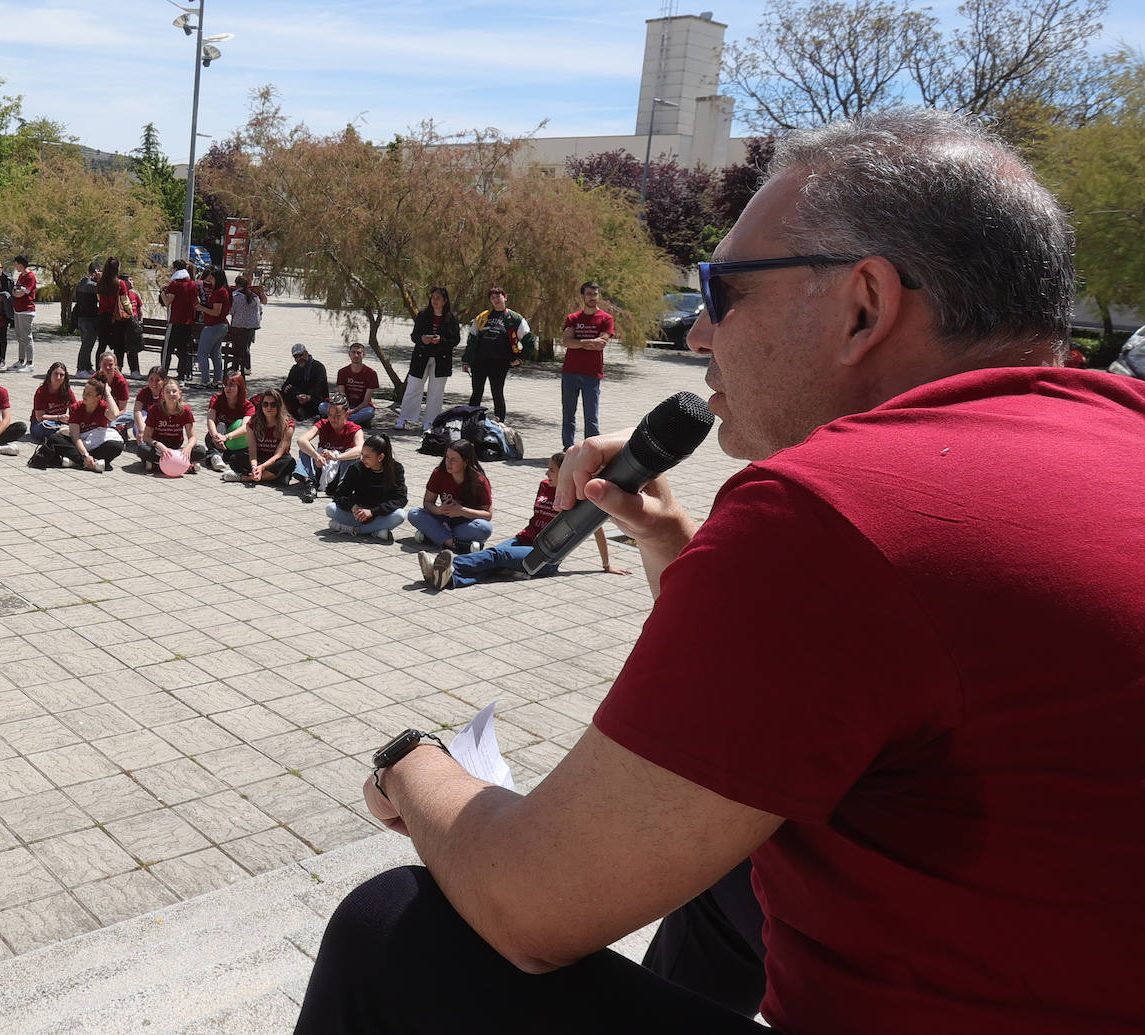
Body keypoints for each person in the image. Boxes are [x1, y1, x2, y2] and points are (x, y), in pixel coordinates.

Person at [295, 110, 1145, 1035]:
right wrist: (667, 540)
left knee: (391, 931)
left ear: (865, 304)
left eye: (723, 289)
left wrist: (410, 765)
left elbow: (526, 908)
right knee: (735, 854)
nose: (699, 333)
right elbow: (819, 694)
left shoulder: (838, 508)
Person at [419, 452, 630, 589]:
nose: (547, 473)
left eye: (552, 470)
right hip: (524, 539)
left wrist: (606, 565)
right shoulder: (545, 486)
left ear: (565, 473)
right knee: (494, 562)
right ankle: (450, 579)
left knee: (496, 554)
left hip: (545, 556)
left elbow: (597, 530)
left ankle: (450, 566)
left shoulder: (579, 498)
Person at [406, 439, 493, 552]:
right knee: (414, 513)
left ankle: (433, 536)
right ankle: (454, 544)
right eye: (447, 457)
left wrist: (462, 511)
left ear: (465, 462)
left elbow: (488, 515)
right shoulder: (439, 473)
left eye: (453, 460)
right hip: (443, 519)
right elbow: (427, 503)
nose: (448, 462)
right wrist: (439, 510)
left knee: (485, 528)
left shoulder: (479, 481)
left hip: (466, 523)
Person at [461, 286, 532, 423]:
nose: (496, 300)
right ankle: (471, 422)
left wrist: (521, 359)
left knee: (497, 393)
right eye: (492, 297)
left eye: (498, 296)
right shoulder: (482, 317)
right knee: (476, 393)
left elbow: (529, 341)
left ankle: (500, 423)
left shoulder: (515, 319)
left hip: (500, 363)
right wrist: (466, 360)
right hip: (479, 362)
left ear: (505, 297)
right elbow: (472, 339)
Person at [324, 433, 408, 542]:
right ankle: (375, 531)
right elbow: (339, 495)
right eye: (362, 455)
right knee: (330, 509)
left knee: (400, 515)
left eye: (367, 456)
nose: (363, 459)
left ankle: (353, 530)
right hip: (357, 514)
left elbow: (401, 499)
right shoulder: (356, 468)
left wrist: (373, 512)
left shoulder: (396, 469)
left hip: (380, 515)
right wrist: (353, 507)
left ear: (380, 457)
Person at [397, 286, 459, 431]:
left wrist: (441, 340)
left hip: (441, 360)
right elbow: (414, 336)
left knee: (436, 392)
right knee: (413, 388)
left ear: (445, 301)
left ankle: (430, 422)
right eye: (433, 298)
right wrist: (422, 339)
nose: (435, 301)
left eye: (438, 298)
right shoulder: (423, 315)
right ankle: (403, 418)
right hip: (421, 358)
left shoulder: (451, 318)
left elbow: (455, 340)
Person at [560, 281, 613, 449]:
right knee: (568, 413)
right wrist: (589, 341)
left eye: (595, 294)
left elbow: (601, 343)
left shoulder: (606, 318)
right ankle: (568, 449)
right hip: (570, 372)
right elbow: (567, 342)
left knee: (591, 417)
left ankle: (591, 451)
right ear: (583, 296)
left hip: (592, 374)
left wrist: (579, 342)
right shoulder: (573, 318)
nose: (592, 297)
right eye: (589, 294)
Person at [294, 395, 364, 502]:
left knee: (352, 453)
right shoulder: (323, 424)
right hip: (321, 466)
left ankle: (342, 487)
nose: (332, 419)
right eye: (330, 415)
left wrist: (337, 457)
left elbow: (361, 449)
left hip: (340, 469)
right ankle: (310, 484)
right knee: (304, 449)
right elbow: (301, 440)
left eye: (337, 415)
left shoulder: (354, 429)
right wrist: (316, 456)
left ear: (346, 414)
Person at [51, 374, 123, 473]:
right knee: (55, 438)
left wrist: (107, 393)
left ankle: (75, 461)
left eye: (89, 394)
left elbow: (114, 415)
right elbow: (75, 437)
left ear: (98, 397)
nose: (84, 395)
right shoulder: (75, 408)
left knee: (117, 446)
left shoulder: (103, 407)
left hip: (96, 444)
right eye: (84, 392)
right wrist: (86, 455)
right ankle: (88, 462)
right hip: (80, 446)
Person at [221, 387, 294, 485]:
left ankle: (245, 478)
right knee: (234, 459)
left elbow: (278, 454)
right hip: (259, 458)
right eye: (265, 404)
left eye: (273, 405)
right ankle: (270, 477)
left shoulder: (288, 425)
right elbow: (252, 450)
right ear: (261, 406)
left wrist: (262, 467)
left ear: (279, 406)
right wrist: (254, 467)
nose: (269, 408)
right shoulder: (253, 423)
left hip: (276, 460)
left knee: (289, 462)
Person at [136, 377, 205, 474]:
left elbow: (192, 437)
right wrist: (159, 445)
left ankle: (157, 465)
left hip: (177, 449)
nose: (171, 394)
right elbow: (146, 437)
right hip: (159, 449)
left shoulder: (185, 410)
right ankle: (185, 465)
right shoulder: (154, 409)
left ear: (179, 394)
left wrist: (188, 447)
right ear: (163, 395)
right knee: (142, 449)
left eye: (174, 391)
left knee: (201, 451)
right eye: (168, 392)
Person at [205, 369, 255, 474]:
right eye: (226, 385)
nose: (228, 388)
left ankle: (217, 455)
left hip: (235, 441)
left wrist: (226, 437)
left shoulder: (248, 406)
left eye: (232, 385)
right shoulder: (217, 399)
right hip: (216, 439)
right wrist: (215, 436)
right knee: (221, 425)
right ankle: (216, 456)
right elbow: (210, 418)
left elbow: (245, 428)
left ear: (240, 388)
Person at [160, 260, 199, 380]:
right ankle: (181, 376)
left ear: (175, 269)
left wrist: (162, 291)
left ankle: (163, 374)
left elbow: (167, 302)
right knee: (183, 351)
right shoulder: (193, 284)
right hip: (188, 323)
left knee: (167, 350)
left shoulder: (175, 284)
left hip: (175, 321)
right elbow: (197, 301)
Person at [325, 342, 377, 425]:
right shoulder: (342, 372)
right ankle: (349, 421)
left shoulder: (371, 373)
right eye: (353, 352)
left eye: (359, 353)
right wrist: (344, 409)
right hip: (345, 406)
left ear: (364, 355)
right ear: (349, 354)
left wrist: (353, 411)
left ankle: (339, 420)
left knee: (369, 412)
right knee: (322, 406)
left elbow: (366, 401)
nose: (356, 356)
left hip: (361, 408)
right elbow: (342, 396)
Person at [195, 267, 231, 389]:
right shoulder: (224, 290)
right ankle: (217, 380)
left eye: (211, 276)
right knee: (216, 353)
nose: (209, 278)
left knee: (202, 354)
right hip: (221, 325)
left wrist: (202, 308)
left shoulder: (219, 291)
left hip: (213, 325)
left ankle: (205, 381)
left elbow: (216, 312)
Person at [95, 257, 131, 369]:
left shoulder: (100, 282)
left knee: (102, 345)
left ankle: (98, 369)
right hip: (117, 318)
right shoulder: (120, 283)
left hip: (102, 316)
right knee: (119, 347)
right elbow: (125, 301)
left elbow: (99, 298)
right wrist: (131, 313)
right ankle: (117, 370)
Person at [226, 273, 265, 374]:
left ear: (237, 285)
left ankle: (236, 367)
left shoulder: (236, 296)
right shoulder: (254, 296)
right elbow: (260, 309)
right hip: (252, 326)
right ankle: (247, 367)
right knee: (246, 346)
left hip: (238, 325)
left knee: (237, 346)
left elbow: (231, 311)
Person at [114, 364, 164, 443]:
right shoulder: (144, 392)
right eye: (151, 379)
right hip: (144, 423)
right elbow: (137, 411)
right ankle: (122, 429)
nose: (154, 383)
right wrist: (141, 431)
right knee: (139, 414)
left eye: (158, 380)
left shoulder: (167, 393)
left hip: (160, 423)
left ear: (164, 381)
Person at [29, 362, 76, 440]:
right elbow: (39, 417)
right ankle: (65, 433)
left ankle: (65, 433)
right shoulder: (42, 391)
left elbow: (75, 408)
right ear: (50, 375)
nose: (58, 377)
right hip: (41, 423)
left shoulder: (67, 390)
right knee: (44, 426)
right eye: (56, 374)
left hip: (59, 423)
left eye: (61, 375)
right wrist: (58, 417)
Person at [282, 343, 328, 421]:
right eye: (296, 357)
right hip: (299, 399)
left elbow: (319, 388)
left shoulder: (318, 367)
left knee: (322, 406)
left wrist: (309, 397)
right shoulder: (295, 369)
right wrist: (297, 395)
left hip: (315, 400)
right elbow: (286, 386)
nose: (299, 358)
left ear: (306, 353)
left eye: (301, 355)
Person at [10, 254, 37, 372]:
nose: (15, 266)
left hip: (26, 311)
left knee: (27, 337)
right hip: (18, 310)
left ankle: (30, 363)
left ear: (21, 264)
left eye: (16, 264)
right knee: (20, 337)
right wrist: (16, 292)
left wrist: (17, 292)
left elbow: (21, 293)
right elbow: (15, 291)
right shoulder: (21, 276)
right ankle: (21, 361)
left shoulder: (30, 277)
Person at [73, 262, 100, 376]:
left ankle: (87, 366)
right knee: (87, 344)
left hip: (85, 317)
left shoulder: (83, 282)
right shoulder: (87, 283)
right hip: (87, 318)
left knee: (88, 343)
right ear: (95, 272)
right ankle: (81, 369)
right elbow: (98, 288)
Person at [118, 273, 143, 376]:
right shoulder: (119, 295)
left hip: (134, 323)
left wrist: (140, 321)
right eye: (130, 280)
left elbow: (139, 309)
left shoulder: (135, 294)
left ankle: (135, 370)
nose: (133, 282)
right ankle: (118, 369)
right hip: (122, 322)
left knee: (133, 349)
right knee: (119, 348)